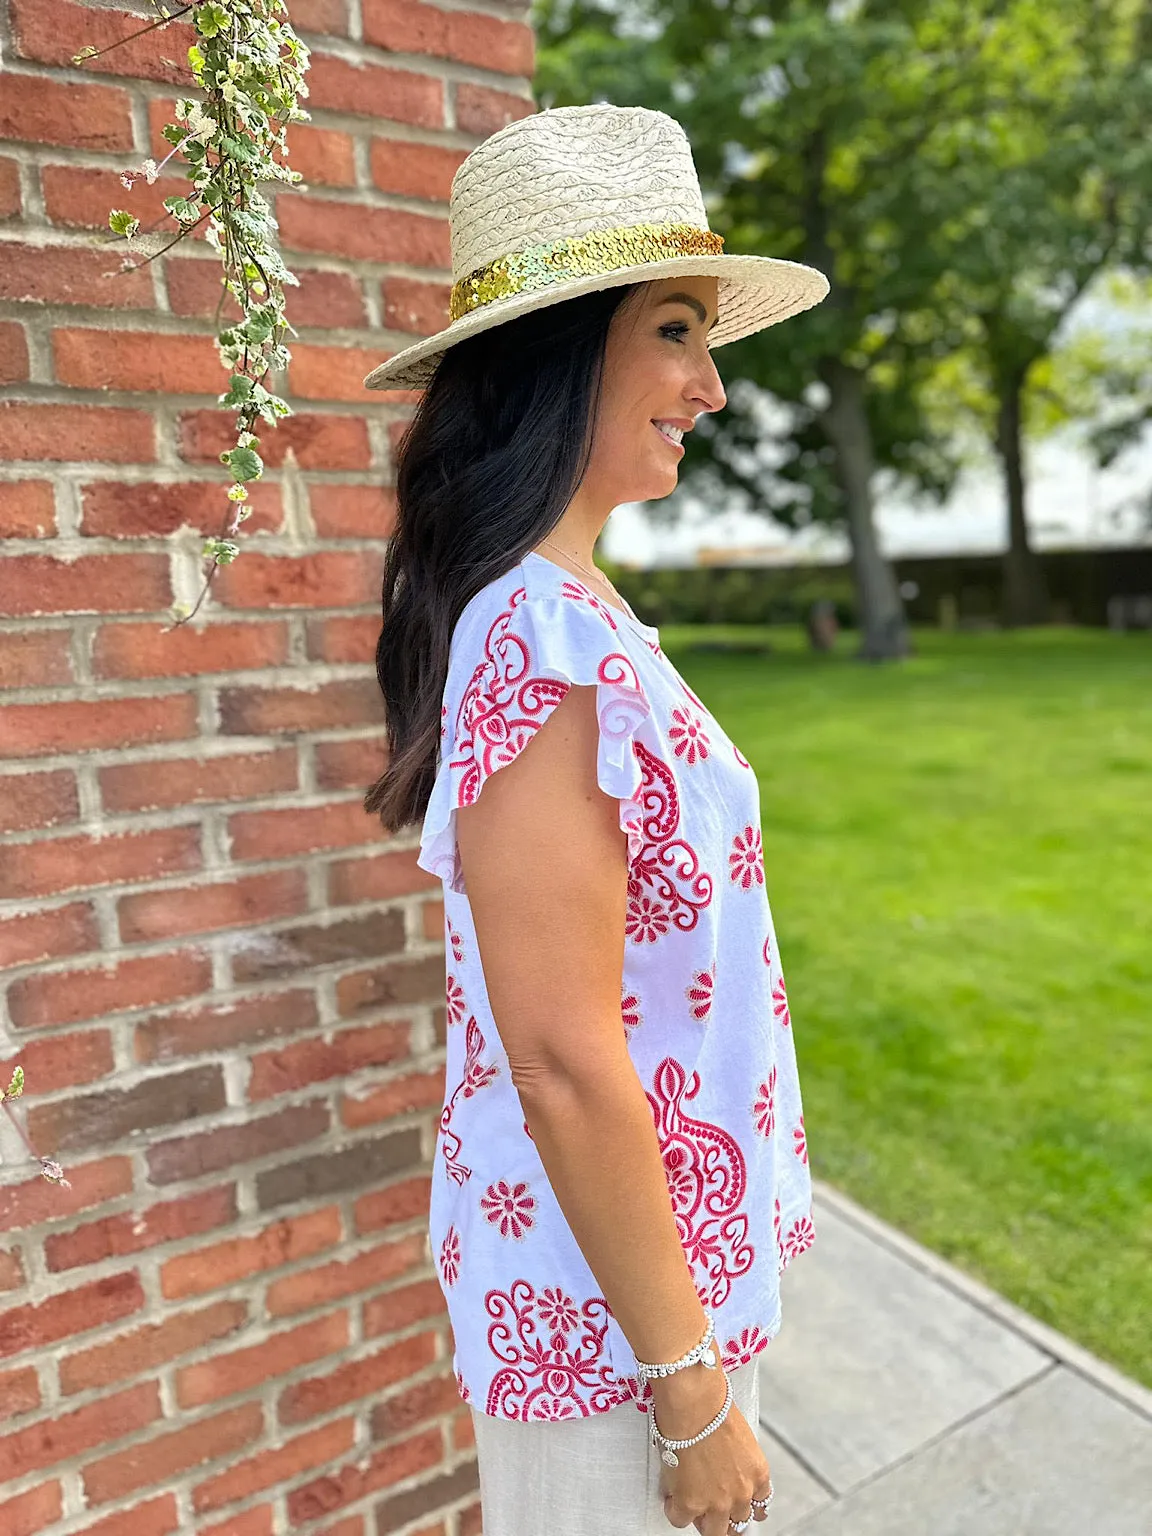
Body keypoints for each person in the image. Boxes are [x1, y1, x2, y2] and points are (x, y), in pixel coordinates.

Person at [362, 102, 829, 1536]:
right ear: (566, 354)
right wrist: (690, 1393)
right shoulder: (541, 639)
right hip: (617, 1335)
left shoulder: (575, 613)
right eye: (678, 331)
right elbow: (562, 1055)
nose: (715, 387)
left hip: (650, 1291)